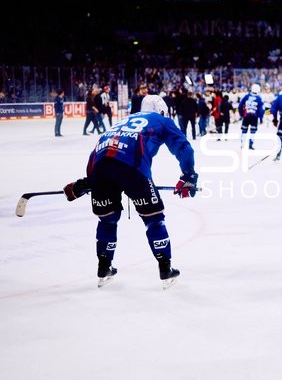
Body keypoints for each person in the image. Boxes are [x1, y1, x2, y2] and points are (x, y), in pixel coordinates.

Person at [63, 94, 197, 289]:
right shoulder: (162, 120)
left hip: (100, 168)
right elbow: (184, 148)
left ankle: (104, 267)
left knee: (107, 220)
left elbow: (97, 153)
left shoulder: (122, 122)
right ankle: (165, 268)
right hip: (132, 169)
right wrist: (189, 175)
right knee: (154, 219)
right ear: (161, 111)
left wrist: (90, 182)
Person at [238, 83, 265, 150]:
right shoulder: (259, 98)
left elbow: (240, 106)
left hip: (246, 116)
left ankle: (242, 144)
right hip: (254, 117)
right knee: (253, 131)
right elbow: (261, 110)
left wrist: (241, 114)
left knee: (244, 130)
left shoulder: (246, 96)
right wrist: (261, 118)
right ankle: (250, 144)